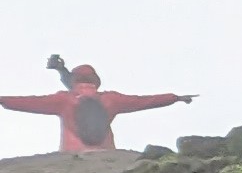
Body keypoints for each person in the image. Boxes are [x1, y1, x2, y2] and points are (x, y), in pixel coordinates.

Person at [4, 60, 192, 153]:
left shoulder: (63, 100)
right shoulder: (111, 99)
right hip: (106, 151)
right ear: (96, 81)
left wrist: (3, 100)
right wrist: (174, 97)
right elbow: (144, 101)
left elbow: (29, 102)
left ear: (73, 81)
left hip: (72, 152)